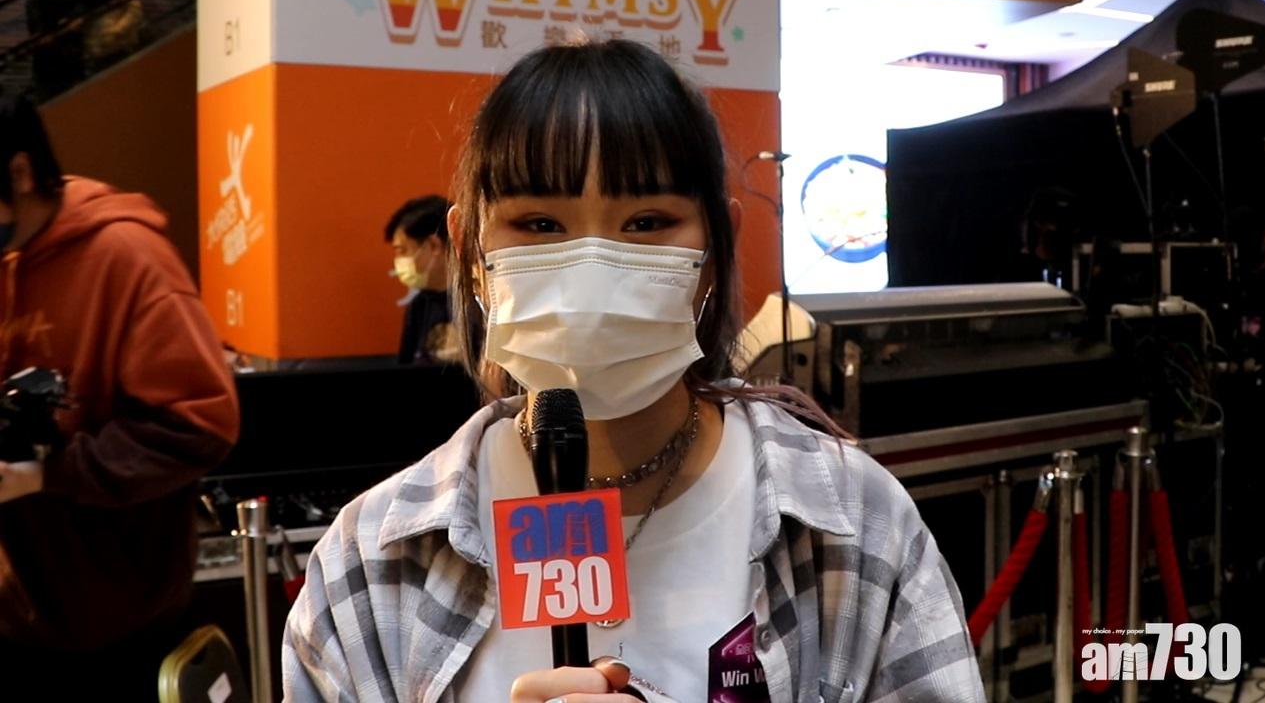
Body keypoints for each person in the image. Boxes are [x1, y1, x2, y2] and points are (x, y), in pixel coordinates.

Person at [284, 40, 984, 703]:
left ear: (717, 247)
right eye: (539, 225)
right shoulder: (371, 560)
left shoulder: (854, 521)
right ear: (471, 251)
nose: (592, 267)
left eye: (647, 222)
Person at [0, 94, 240, 699]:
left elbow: (199, 427)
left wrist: (46, 475)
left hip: (117, 618)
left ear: (20, 172)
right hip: (17, 608)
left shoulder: (126, 257)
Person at [385, 194, 458, 365]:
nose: (398, 261)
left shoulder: (480, 300)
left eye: (402, 250)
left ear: (434, 245)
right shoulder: (419, 305)